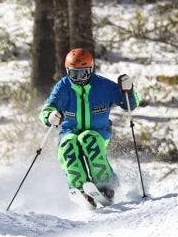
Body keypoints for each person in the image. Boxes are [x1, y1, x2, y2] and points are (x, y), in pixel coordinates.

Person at [40, 48, 139, 206]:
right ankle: (79, 187)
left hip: (98, 132)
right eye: (74, 74)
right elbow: (47, 108)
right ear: (67, 71)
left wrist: (129, 90)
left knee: (88, 139)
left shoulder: (103, 86)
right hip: (69, 131)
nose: (79, 79)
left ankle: (106, 185)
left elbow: (129, 104)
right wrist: (50, 116)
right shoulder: (63, 87)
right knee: (68, 146)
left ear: (91, 70)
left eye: (83, 73)